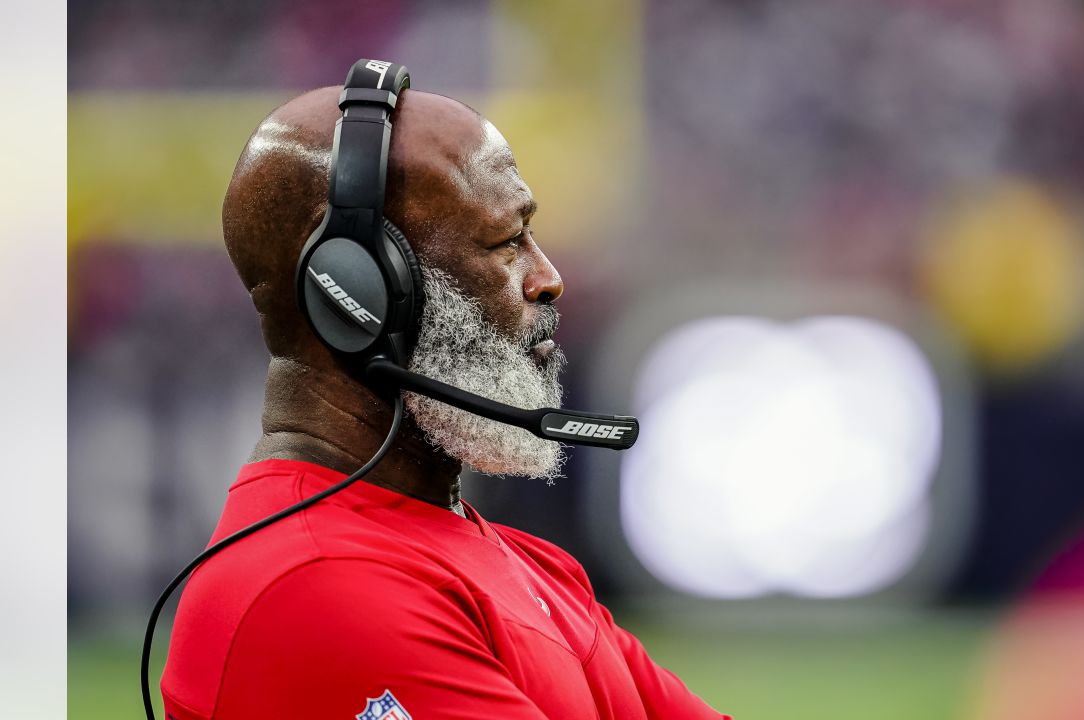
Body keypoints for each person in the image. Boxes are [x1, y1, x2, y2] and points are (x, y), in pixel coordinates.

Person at [160, 86, 729, 719]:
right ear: (361, 292)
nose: (548, 278)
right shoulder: (313, 585)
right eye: (506, 243)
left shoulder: (527, 565)